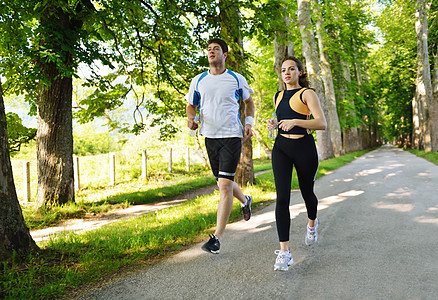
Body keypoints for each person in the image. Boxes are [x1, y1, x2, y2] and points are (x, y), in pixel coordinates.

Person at [185, 38, 255, 254]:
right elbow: (190, 105)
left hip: (231, 136)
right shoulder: (198, 81)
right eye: (209, 49)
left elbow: (249, 103)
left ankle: (217, 239)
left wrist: (249, 123)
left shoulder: (236, 79)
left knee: (224, 186)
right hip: (210, 137)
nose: (211, 52)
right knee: (223, 182)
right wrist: (191, 120)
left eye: (216, 49)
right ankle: (245, 200)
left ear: (225, 55)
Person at [267, 56, 327, 271]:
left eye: (291, 69)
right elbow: (280, 117)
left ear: (300, 72)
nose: (287, 73)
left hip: (304, 148)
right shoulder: (278, 95)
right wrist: (273, 124)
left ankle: (312, 224)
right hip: (281, 149)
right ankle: (284, 251)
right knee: (282, 198)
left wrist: (295, 122)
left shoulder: (307, 93)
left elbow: (321, 123)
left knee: (307, 193)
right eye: (283, 69)